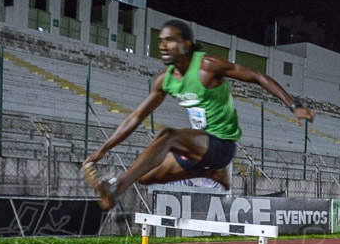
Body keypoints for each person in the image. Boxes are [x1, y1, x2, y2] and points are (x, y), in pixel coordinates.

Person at [82, 19, 315, 209]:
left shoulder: (208, 66)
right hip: (197, 149)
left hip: (221, 144)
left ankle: (116, 189)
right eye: (160, 41)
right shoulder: (165, 80)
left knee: (168, 135)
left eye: (170, 40)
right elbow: (136, 117)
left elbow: (257, 76)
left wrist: (293, 106)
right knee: (144, 176)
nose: (163, 46)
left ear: (186, 43)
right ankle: (212, 172)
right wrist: (103, 149)